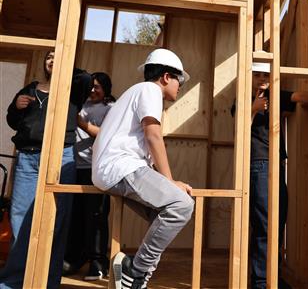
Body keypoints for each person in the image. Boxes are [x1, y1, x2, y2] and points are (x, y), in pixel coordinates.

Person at [232, 62, 308, 289]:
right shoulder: (242, 98)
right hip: (259, 165)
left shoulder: (276, 96)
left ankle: (272, 276)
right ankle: (260, 283)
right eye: (258, 75)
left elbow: (302, 97)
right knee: (265, 226)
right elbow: (238, 131)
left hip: (276, 167)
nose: (262, 78)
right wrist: (253, 108)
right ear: (250, 77)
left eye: (266, 74)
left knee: (277, 224)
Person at [92, 48, 194, 289]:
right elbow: (153, 136)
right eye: (180, 80)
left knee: (164, 216)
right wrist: (170, 182)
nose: (180, 86)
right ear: (167, 77)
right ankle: (134, 273)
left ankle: (137, 282)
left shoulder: (136, 92)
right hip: (121, 166)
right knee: (181, 204)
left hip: (113, 169)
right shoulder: (150, 89)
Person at [0, 50, 92, 289]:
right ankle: (14, 281)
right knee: (20, 217)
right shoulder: (30, 89)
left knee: (57, 219)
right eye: (49, 57)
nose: (52, 60)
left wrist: (65, 63)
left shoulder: (73, 88)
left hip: (61, 157)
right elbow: (12, 120)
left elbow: (86, 78)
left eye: (57, 56)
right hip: (28, 158)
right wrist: (17, 107)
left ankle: (48, 281)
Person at [64, 72, 115, 280]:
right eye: (90, 87)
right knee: (75, 216)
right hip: (74, 168)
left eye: (98, 87)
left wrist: (82, 124)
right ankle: (75, 259)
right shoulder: (79, 104)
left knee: (96, 217)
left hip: (97, 170)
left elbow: (108, 135)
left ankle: (98, 262)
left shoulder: (111, 108)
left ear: (106, 89)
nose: (93, 90)